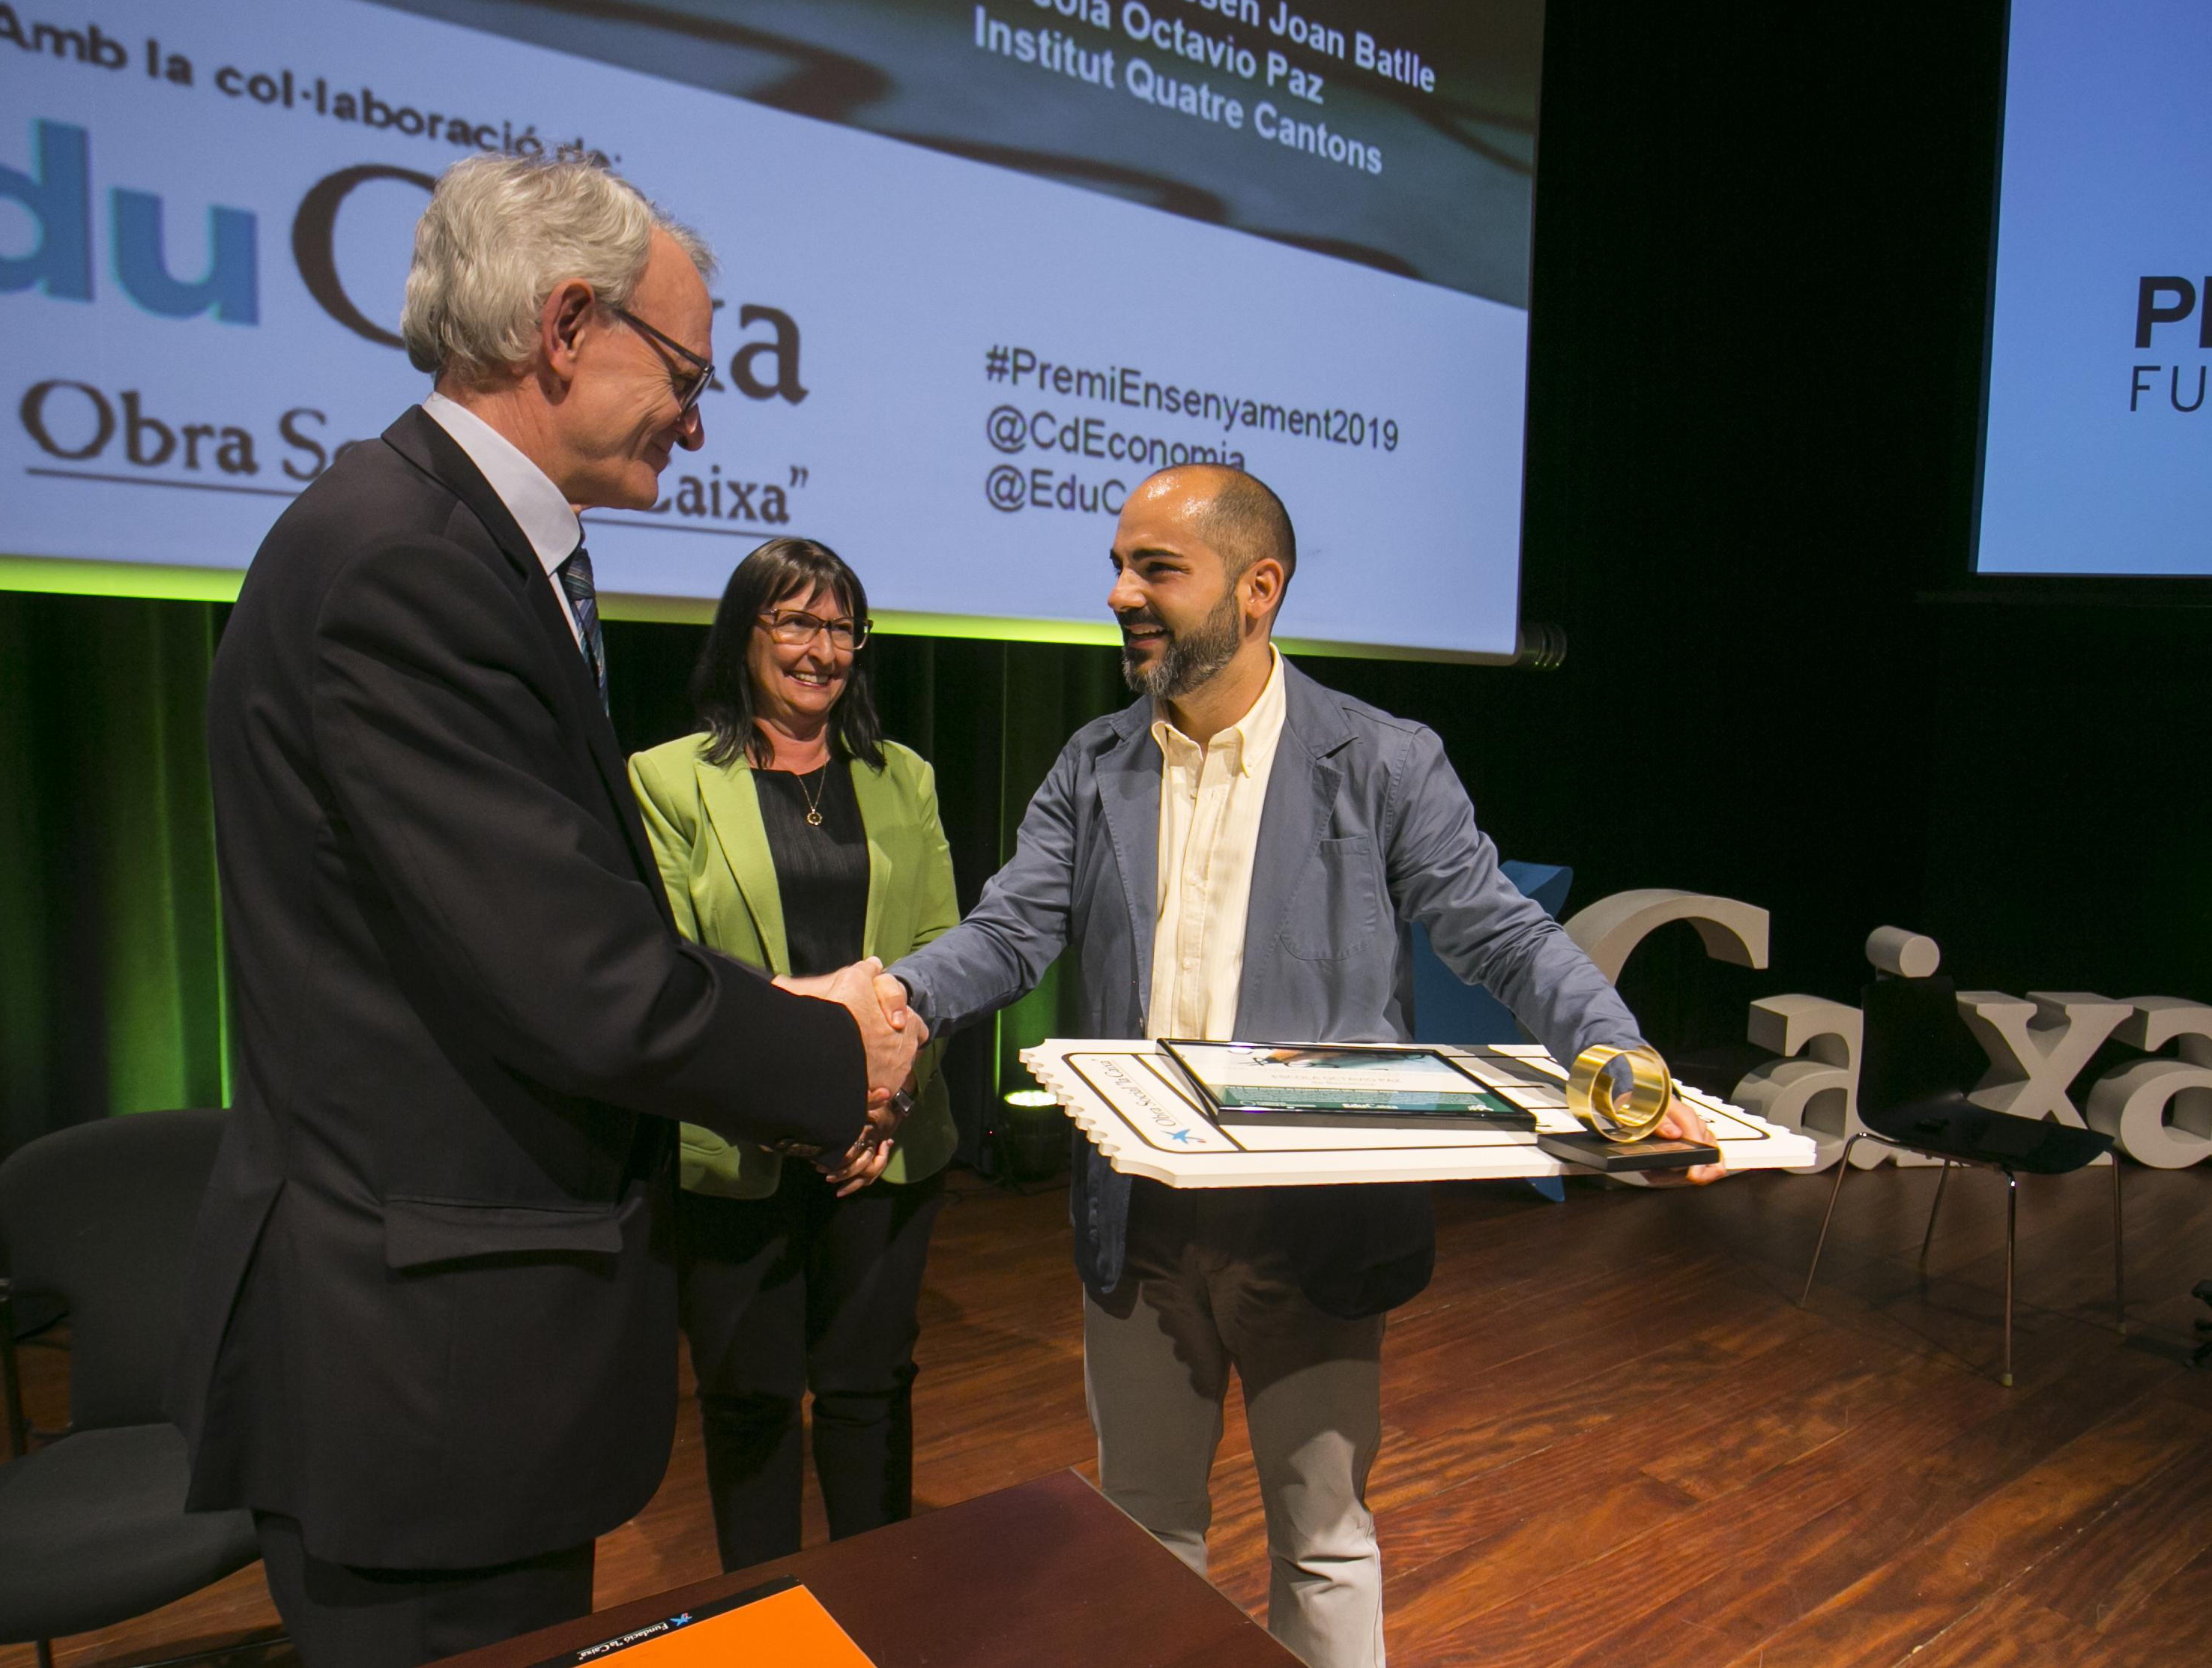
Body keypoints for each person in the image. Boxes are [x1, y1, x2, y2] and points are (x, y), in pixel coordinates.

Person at [170, 158, 921, 1668]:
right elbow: (581, 978)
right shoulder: (404, 563)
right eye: (689, 374)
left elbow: (547, 925)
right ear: (569, 324)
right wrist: (834, 1048)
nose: (700, 421)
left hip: (459, 1353)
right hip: (424, 1373)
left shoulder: (451, 542)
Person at [883, 465, 1717, 1668]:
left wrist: (1617, 1055)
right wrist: (900, 1001)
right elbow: (1010, 930)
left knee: (1322, 1543)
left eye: (1154, 568)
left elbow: (1496, 928)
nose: (1120, 593)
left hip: (1314, 1230)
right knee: (1145, 1532)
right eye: (1118, 566)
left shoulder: (1381, 761)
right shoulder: (1094, 762)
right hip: (1140, 1221)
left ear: (1257, 587)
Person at [629, 538, 960, 1571]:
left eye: (839, 628)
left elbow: (943, 955)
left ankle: (879, 1609)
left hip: (884, 1144)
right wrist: (796, 1107)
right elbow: (679, 973)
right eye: (794, 623)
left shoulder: (902, 778)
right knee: (751, 1403)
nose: (820, 650)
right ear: (743, 634)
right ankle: (764, 1616)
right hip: (739, 1147)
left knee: (868, 1392)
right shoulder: (668, 781)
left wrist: (881, 1106)